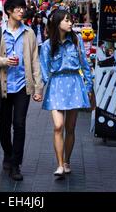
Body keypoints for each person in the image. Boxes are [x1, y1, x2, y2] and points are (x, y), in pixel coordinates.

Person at [0, 0, 43, 181]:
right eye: (17, 8)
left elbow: (34, 60)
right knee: (4, 125)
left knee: (20, 125)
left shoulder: (29, 33)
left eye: (23, 8)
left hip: (23, 86)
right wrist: (4, 61)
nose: (21, 11)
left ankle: (16, 164)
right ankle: (7, 154)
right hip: (3, 86)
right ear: (9, 11)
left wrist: (38, 87)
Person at [40, 10, 94, 178]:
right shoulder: (48, 45)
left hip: (74, 84)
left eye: (71, 20)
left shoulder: (76, 42)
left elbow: (85, 66)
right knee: (58, 126)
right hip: (56, 85)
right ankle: (59, 165)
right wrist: (38, 89)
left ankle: (66, 161)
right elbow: (43, 68)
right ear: (57, 23)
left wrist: (88, 87)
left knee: (70, 128)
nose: (70, 23)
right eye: (67, 20)